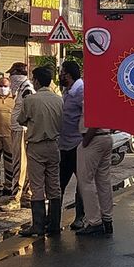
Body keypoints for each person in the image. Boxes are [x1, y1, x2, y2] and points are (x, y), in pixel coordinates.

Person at [17, 66, 64, 237]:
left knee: (37, 186)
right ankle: (54, 224)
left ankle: (37, 225)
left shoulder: (31, 100)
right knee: (54, 186)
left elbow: (20, 119)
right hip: (54, 145)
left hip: (36, 146)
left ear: (36, 81)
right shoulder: (59, 100)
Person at [76, 81, 115, 237]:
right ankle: (107, 219)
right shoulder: (106, 96)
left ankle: (94, 221)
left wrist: (86, 142)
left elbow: (94, 120)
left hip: (93, 138)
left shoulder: (93, 96)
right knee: (103, 180)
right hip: (106, 137)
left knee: (86, 181)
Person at [58, 60, 86, 230]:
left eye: (61, 72)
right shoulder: (68, 91)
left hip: (78, 145)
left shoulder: (81, 91)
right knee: (59, 183)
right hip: (64, 145)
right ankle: (53, 220)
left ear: (67, 75)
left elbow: (87, 117)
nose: (59, 75)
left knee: (82, 184)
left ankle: (80, 218)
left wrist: (86, 139)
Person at [6, 62, 36, 206]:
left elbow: (29, 108)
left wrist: (24, 124)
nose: (10, 78)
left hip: (21, 130)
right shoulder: (21, 88)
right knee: (23, 163)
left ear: (17, 74)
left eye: (12, 74)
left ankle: (16, 197)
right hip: (19, 129)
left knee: (19, 163)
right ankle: (26, 194)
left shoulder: (26, 89)